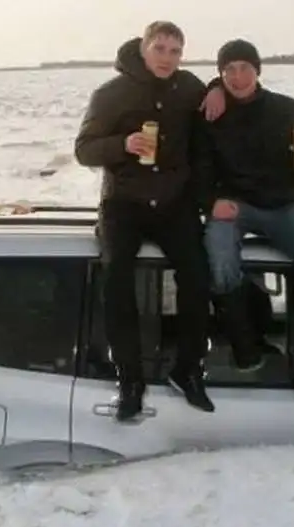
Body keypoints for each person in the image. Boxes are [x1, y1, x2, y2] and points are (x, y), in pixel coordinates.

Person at [73, 21, 226, 421]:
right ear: (143, 49)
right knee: (117, 280)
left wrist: (216, 87)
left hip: (174, 203)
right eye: (160, 49)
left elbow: (216, 96)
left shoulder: (188, 87)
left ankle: (187, 369)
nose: (167, 58)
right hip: (124, 203)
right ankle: (130, 379)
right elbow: (84, 150)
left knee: (197, 276)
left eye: (175, 51)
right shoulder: (112, 93)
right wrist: (122, 144)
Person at [198, 39, 294, 392]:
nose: (237, 77)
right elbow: (196, 168)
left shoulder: (285, 109)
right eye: (229, 70)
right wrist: (210, 202)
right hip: (233, 206)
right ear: (220, 74)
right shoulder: (211, 114)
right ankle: (246, 349)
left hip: (283, 207)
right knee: (220, 261)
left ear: (258, 71)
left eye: (245, 68)